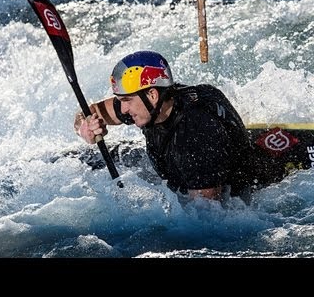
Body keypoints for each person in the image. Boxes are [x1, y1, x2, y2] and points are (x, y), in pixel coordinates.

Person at [74, 50, 271, 204]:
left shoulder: (196, 139)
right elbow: (87, 112)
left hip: (234, 188)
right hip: (172, 166)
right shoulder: (154, 103)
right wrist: (85, 127)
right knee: (77, 159)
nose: (123, 109)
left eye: (126, 100)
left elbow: (208, 219)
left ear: (152, 95)